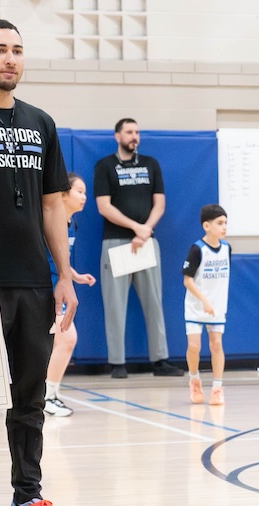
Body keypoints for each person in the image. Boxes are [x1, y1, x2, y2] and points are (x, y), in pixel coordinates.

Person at [0, 20, 84, 506]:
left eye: (17, 51)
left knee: (30, 394)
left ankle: (27, 501)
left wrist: (64, 274)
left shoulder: (40, 124)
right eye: (0, 50)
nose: (9, 59)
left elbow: (54, 205)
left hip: (29, 276)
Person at [94, 117, 182, 379]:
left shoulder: (151, 165)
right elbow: (104, 207)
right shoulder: (105, 166)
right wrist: (136, 227)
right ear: (117, 136)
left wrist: (145, 231)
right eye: (129, 132)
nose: (135, 136)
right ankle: (118, 363)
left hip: (146, 244)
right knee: (115, 304)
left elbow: (160, 204)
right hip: (116, 243)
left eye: (137, 132)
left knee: (154, 301)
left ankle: (160, 360)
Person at [44, 172, 97, 418]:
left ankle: (49, 395)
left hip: (59, 290)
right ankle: (47, 396)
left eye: (85, 192)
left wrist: (75, 276)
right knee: (66, 339)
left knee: (63, 340)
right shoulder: (47, 222)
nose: (84, 196)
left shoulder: (70, 223)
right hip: (43, 291)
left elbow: (60, 259)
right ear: (63, 194)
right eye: (79, 191)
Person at [182, 204, 231, 406]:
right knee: (194, 346)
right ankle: (194, 380)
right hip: (196, 305)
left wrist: (215, 303)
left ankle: (217, 387)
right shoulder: (197, 249)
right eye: (220, 223)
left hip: (217, 307)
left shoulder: (227, 248)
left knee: (216, 344)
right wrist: (204, 300)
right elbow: (187, 280)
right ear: (206, 226)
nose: (224, 227)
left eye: (226, 223)